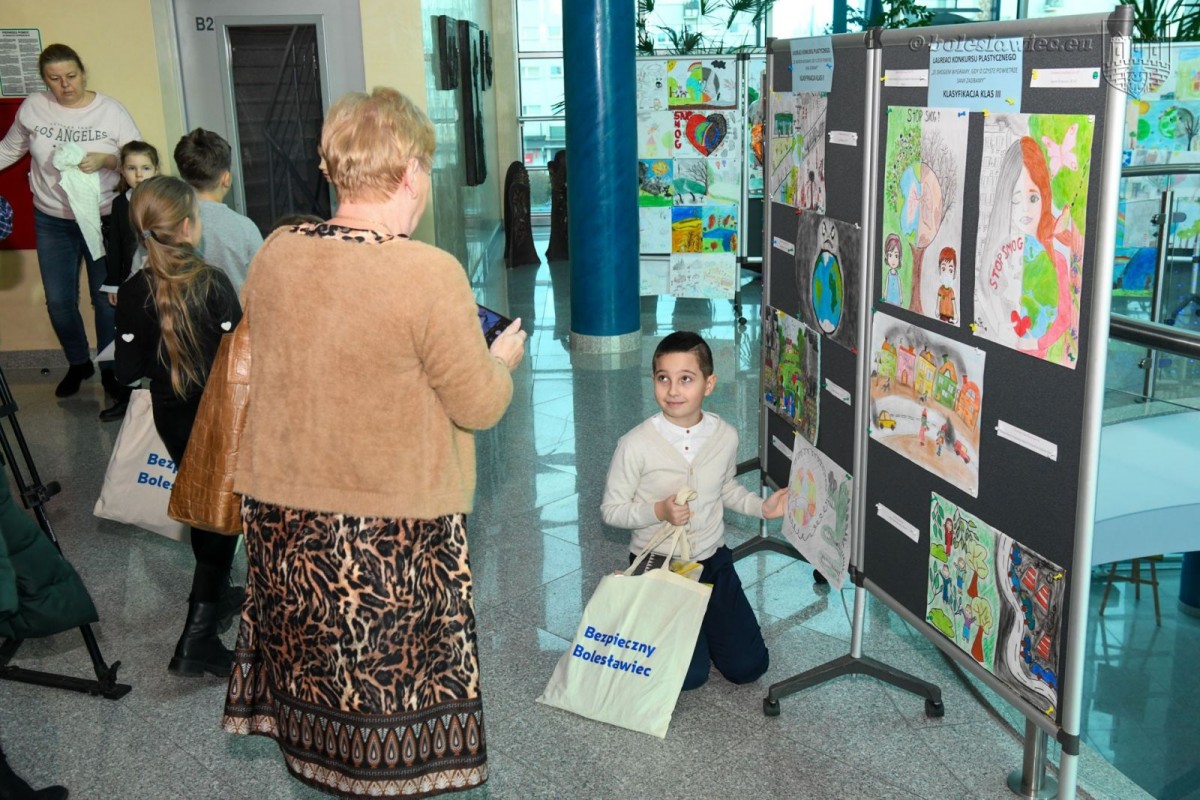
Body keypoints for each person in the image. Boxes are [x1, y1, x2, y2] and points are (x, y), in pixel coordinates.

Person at [221, 87, 525, 799]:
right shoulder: (426, 273)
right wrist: (501, 364)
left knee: (314, 672)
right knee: (392, 690)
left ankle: (317, 770)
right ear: (412, 170)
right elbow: (477, 405)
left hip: (283, 517)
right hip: (386, 528)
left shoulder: (275, 254)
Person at [601, 331, 787, 690]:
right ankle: (651, 614)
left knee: (749, 667)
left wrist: (762, 507)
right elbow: (612, 511)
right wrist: (658, 510)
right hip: (658, 564)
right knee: (690, 678)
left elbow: (726, 489)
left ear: (709, 383)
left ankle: (697, 621)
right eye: (663, 378)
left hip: (712, 560)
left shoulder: (726, 436)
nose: (673, 390)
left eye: (686, 379)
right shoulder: (635, 444)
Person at [113, 176, 243, 678]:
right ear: (189, 226)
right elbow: (239, 357)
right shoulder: (213, 283)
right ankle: (198, 639)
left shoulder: (130, 292)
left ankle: (219, 595)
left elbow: (125, 373)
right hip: (222, 419)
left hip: (172, 419)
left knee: (200, 504)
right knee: (221, 511)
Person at [0, 44, 141, 399]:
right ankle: (79, 363)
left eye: (71, 77)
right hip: (52, 220)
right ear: (45, 81)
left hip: (103, 220)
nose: (65, 86)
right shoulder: (34, 107)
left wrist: (107, 161)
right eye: (55, 79)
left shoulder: (110, 111)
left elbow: (136, 159)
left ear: (83, 72)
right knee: (59, 301)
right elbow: (9, 148)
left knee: (104, 298)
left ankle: (111, 368)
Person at [978, 136, 1077, 359]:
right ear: (1005, 201)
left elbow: (1063, 317)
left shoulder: (1056, 262)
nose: (1024, 210)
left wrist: (1036, 342)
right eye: (1015, 200)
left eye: (1033, 198)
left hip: (1034, 363)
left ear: (1044, 197)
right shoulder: (997, 255)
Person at [98, 141, 160, 421]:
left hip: (161, 280)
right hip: (131, 283)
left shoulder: (163, 199)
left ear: (156, 169)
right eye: (132, 168)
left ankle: (162, 396)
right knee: (130, 340)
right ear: (122, 171)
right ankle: (129, 398)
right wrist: (114, 283)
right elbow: (117, 246)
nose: (139, 174)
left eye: (145, 168)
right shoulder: (120, 203)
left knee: (161, 338)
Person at [173, 129, 263, 294]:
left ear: (182, 178)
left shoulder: (169, 222)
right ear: (226, 179)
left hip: (186, 317)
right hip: (238, 318)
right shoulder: (244, 228)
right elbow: (264, 283)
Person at [936, 246, 957, 325]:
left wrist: (956, 314)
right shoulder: (940, 289)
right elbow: (938, 299)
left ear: (954, 273)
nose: (947, 274)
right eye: (943, 269)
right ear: (939, 270)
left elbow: (953, 302)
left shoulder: (951, 291)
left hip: (950, 316)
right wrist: (936, 310)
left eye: (950, 270)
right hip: (942, 315)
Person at [883, 232, 903, 307]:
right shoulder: (888, 274)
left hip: (896, 299)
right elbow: (886, 286)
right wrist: (884, 295)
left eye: (896, 256)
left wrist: (901, 296)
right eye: (890, 255)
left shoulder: (897, 275)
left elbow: (899, 285)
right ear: (886, 256)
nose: (893, 260)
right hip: (889, 298)